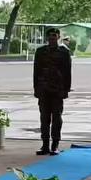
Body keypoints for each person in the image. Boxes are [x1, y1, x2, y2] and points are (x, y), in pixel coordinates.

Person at [32, 27, 72, 155]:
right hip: (43, 89)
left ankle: (55, 145)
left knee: (56, 118)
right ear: (46, 37)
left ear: (58, 37)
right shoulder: (40, 51)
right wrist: (36, 88)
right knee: (44, 119)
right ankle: (44, 145)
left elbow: (67, 72)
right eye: (49, 36)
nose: (52, 38)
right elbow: (36, 71)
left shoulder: (64, 52)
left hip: (57, 90)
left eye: (54, 35)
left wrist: (66, 89)